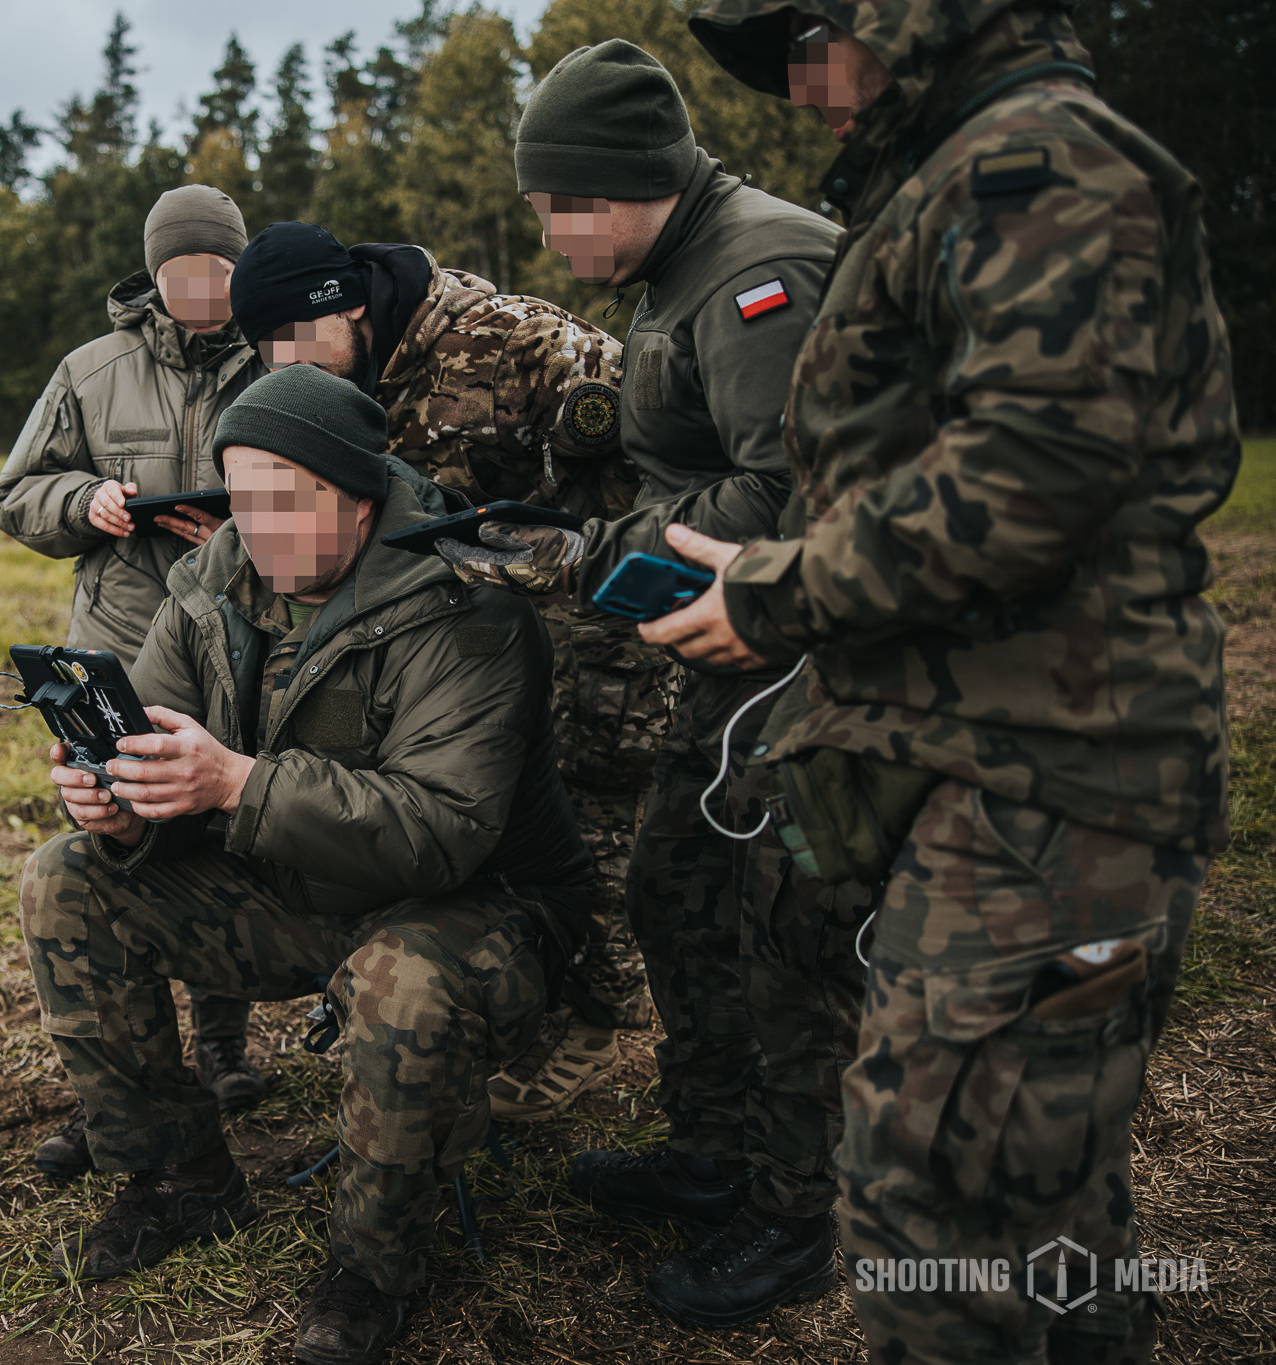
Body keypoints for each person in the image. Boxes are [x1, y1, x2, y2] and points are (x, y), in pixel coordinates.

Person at [490, 3, 1240, 1359]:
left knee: (979, 1206)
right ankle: (751, 1172)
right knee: (933, 1186)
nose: (798, 85)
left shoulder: (1035, 167)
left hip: (1058, 754)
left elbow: (1030, 475)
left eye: (813, 42)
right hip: (955, 728)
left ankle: (785, 1205)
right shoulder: (939, 181)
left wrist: (770, 594)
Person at [17, 363, 591, 1365]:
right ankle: (180, 1179)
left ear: (360, 501)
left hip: (474, 908)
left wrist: (234, 783)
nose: (259, 525)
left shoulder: (468, 605)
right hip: (295, 888)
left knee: (400, 980)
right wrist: (121, 810)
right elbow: (161, 757)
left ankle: (371, 1269)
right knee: (65, 876)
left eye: (288, 500)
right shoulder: (208, 580)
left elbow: (441, 830)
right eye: (241, 497)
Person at [440, 39, 876, 1326]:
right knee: (677, 891)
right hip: (723, 647)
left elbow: (797, 491)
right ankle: (712, 1152)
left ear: (625, 179)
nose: (550, 237)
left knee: (788, 932)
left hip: (814, 662)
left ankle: (795, 1217)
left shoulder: (758, 270)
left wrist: (597, 551)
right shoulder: (674, 261)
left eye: (555, 208)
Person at [225, 217, 657, 1123]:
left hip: (592, 622)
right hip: (464, 637)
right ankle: (504, 998)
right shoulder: (333, 372)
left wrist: (574, 572)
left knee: (592, 807)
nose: (284, 365)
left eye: (294, 339)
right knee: (467, 811)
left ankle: (594, 1015)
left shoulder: (519, 344)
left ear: (343, 305)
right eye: (266, 350)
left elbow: (652, 481)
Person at [0, 184, 267, 1169]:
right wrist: (85, 501)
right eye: (182, 273)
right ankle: (122, 1076)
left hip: (234, 638)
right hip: (117, 637)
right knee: (108, 834)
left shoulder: (276, 357)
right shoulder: (88, 370)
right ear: (153, 278)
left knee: (217, 822)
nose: (201, 288)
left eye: (218, 272)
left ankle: (226, 1048)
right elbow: (16, 494)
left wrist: (238, 531)